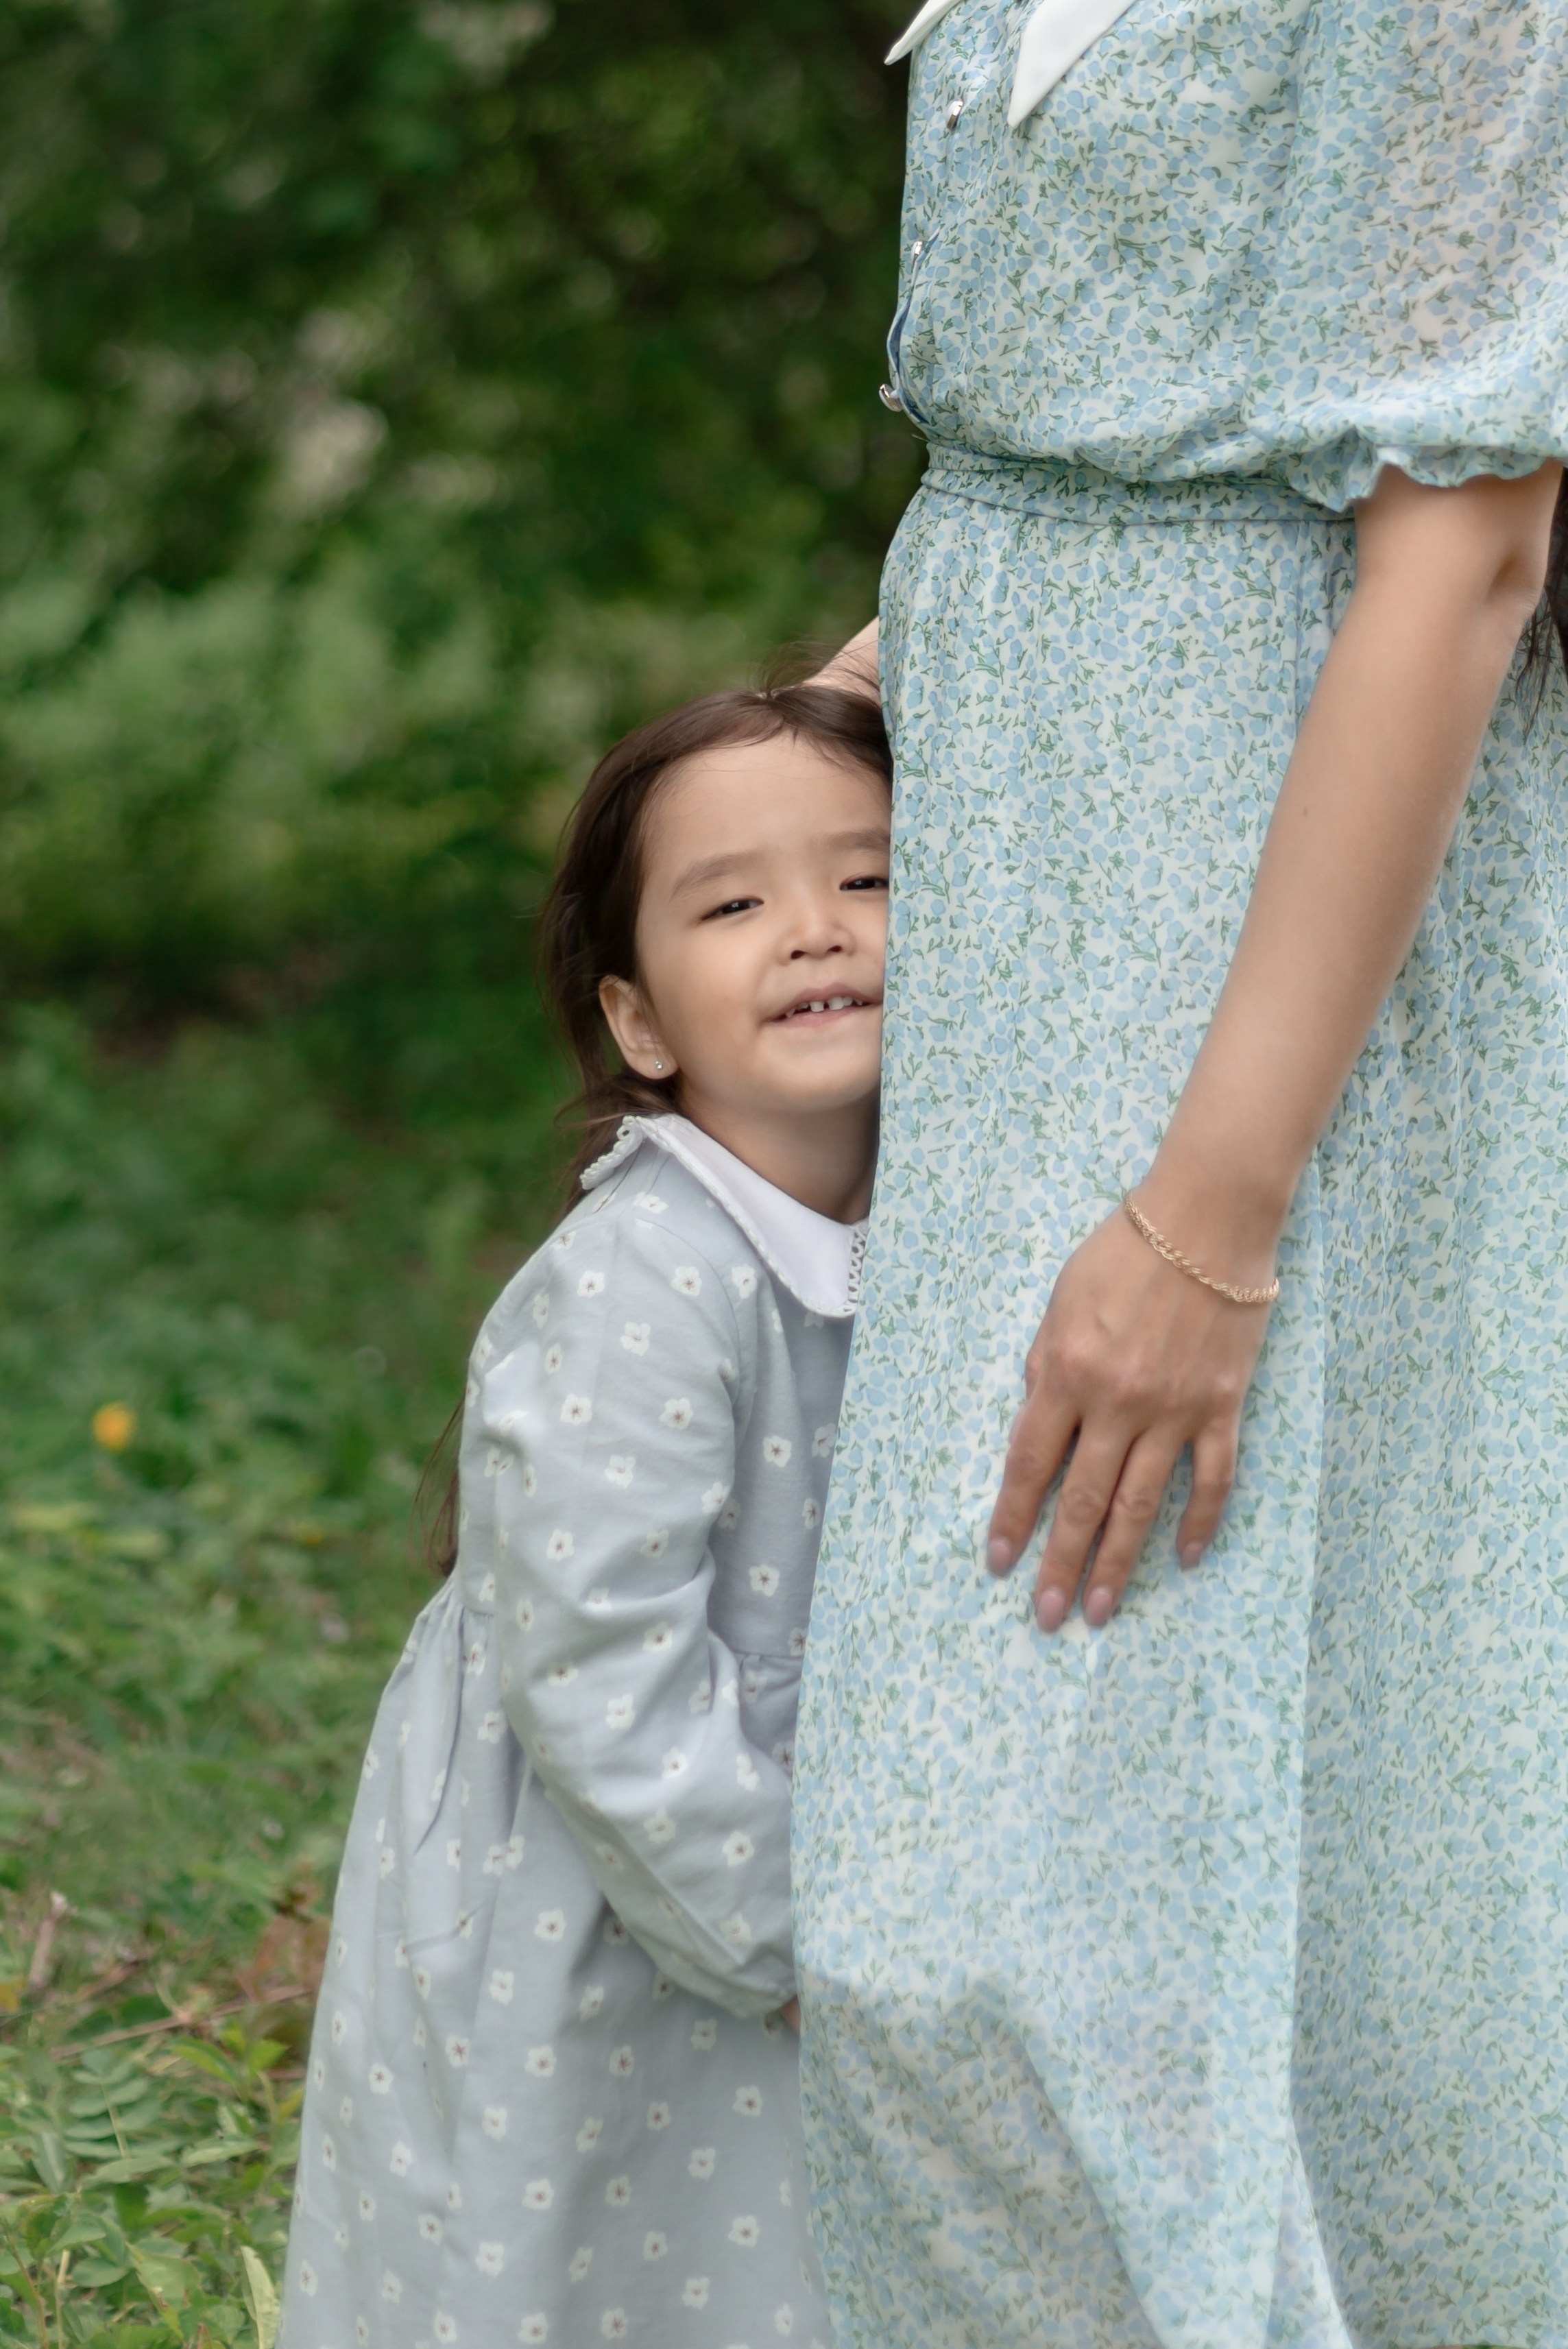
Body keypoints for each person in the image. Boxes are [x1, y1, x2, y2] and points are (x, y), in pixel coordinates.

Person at [792, 3, 1568, 2346]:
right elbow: (1026, 476)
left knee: (1005, 1910)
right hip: (1015, 867)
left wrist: (1206, 1213)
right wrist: (782, 779)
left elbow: (1462, 553)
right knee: (1091, 1883)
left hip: (1261, 951)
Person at [277, 677, 891, 2349]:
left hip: (791, 1880)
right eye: (735, 901)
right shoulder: (642, 1277)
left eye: (870, 878)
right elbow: (598, 1671)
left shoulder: (925, 1235)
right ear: (638, 1023)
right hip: (617, 1893)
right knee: (581, 2250)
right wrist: (789, 1942)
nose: (814, 931)